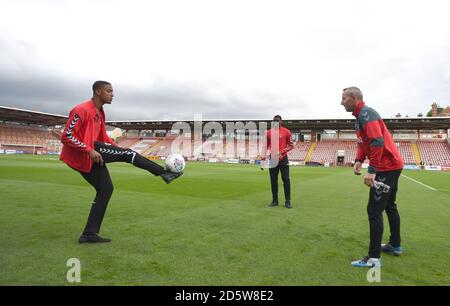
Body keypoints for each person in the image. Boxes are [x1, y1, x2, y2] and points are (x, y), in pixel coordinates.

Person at [60, 81, 182, 244]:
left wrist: (117, 149)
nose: (112, 94)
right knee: (128, 155)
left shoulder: (100, 112)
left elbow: (103, 137)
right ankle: (163, 173)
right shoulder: (81, 109)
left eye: (112, 91)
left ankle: (89, 234)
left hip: (93, 153)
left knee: (106, 189)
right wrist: (89, 150)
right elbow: (66, 136)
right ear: (98, 91)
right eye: (109, 91)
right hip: (85, 153)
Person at [341, 87, 404, 268]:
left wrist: (372, 170)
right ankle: (395, 244)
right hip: (391, 166)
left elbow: (377, 141)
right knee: (390, 206)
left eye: (344, 99)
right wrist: (359, 159)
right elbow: (363, 142)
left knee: (374, 210)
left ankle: (374, 258)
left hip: (386, 168)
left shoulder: (367, 114)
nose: (341, 102)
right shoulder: (359, 117)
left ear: (354, 98)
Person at [260, 115, 294, 208]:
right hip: (272, 159)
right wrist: (262, 162)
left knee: (286, 180)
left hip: (283, 159)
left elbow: (291, 145)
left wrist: (282, 152)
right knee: (273, 181)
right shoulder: (268, 133)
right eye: (274, 121)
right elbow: (265, 147)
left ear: (281, 121)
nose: (276, 122)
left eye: (277, 121)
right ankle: (275, 201)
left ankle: (288, 201)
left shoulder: (287, 132)